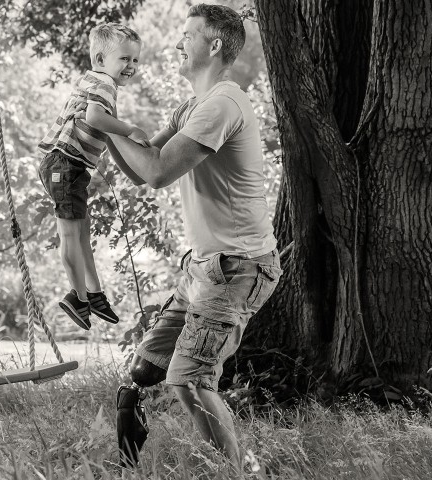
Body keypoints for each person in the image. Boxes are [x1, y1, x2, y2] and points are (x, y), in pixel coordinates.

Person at [104, 4, 283, 469]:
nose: (178, 43)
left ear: (215, 45)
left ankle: (236, 472)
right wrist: (105, 128)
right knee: (144, 369)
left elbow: (159, 171)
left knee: (189, 378)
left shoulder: (223, 105)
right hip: (203, 267)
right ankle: (130, 459)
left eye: (188, 35)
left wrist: (104, 123)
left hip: (238, 266)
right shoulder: (191, 107)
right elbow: (143, 167)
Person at [36, 23, 148, 330]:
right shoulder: (105, 84)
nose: (131, 66)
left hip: (67, 165)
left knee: (81, 231)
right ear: (100, 59)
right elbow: (95, 118)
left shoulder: (95, 81)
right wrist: (131, 130)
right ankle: (78, 297)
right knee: (71, 234)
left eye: (135, 60)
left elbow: (103, 132)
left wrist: (132, 167)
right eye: (124, 58)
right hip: (65, 164)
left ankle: (94, 294)